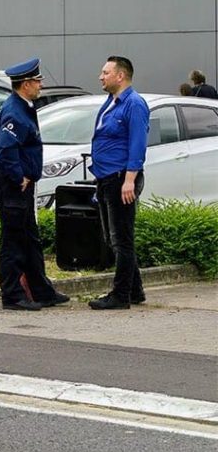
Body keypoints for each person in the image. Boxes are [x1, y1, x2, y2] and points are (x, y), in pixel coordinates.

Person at [0, 58, 69, 311]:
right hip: (14, 185)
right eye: (37, 81)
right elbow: (5, 148)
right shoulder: (15, 110)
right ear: (25, 84)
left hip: (23, 184)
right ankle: (12, 296)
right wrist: (18, 175)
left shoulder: (24, 106)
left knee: (30, 240)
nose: (41, 85)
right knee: (13, 242)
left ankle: (41, 291)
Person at [89, 55, 150, 310]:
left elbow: (137, 143)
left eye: (105, 72)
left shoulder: (134, 104)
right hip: (106, 178)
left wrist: (130, 180)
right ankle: (135, 291)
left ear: (120, 76)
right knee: (115, 237)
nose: (101, 77)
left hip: (120, 178)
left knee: (121, 239)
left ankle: (120, 295)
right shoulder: (110, 102)